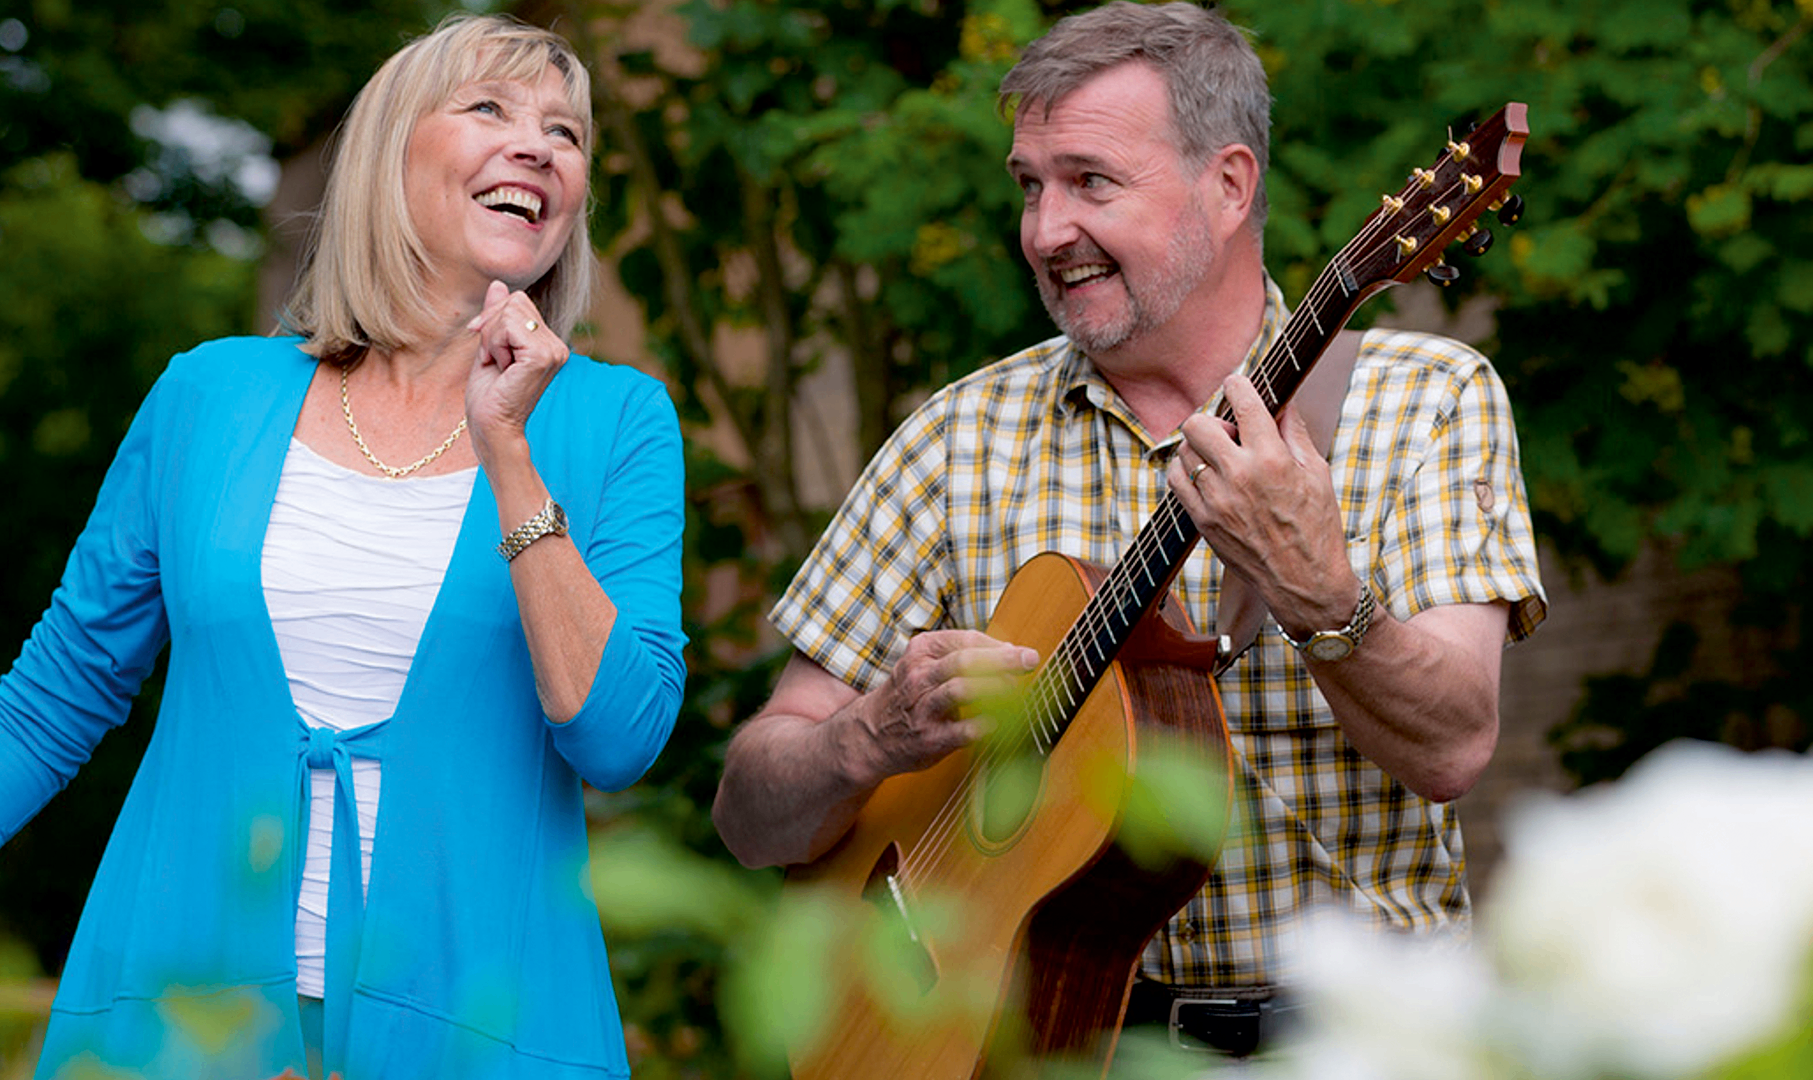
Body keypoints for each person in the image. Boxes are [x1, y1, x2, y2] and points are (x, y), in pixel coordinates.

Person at [711, 0, 1544, 1062]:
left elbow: (1454, 746)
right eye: (1029, 185)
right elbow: (750, 814)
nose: (1044, 230)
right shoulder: (956, 436)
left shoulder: (1421, 403)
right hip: (1040, 1049)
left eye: (1090, 181)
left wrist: (1317, 589)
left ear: (1228, 186)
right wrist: (864, 737)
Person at [0, 14, 686, 1079]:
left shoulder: (616, 422)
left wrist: (507, 445)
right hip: (185, 1016)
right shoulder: (208, 395)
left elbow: (618, 737)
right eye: (490, 109)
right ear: (388, 151)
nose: (539, 146)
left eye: (567, 132)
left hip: (480, 1023)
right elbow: (54, 698)